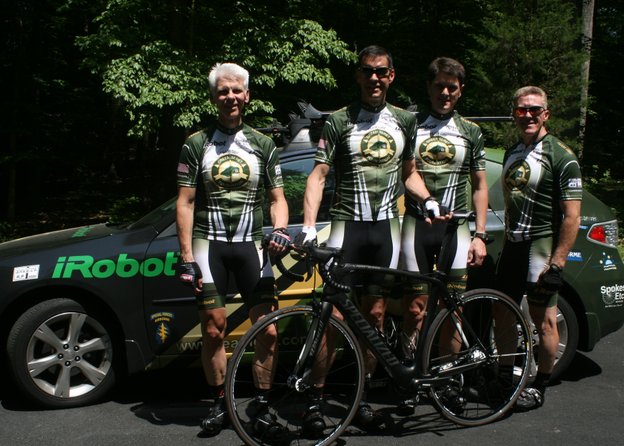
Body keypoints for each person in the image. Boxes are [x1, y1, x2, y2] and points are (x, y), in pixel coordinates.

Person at [296, 45, 444, 432]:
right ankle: (315, 399)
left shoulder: (404, 121)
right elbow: (318, 175)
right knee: (335, 317)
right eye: (367, 71)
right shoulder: (339, 121)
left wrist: (426, 199)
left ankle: (358, 400)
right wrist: (309, 225)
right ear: (358, 76)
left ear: (391, 76)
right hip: (347, 226)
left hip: (385, 229)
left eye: (381, 72)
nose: (375, 78)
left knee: (375, 316)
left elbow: (409, 172)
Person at [175, 62, 291, 436]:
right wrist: (187, 257)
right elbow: (186, 202)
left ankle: (261, 402)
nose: (230, 97)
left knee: (268, 331)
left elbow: (277, 198)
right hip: (210, 245)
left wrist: (281, 229)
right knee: (213, 330)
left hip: (252, 246)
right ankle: (218, 403)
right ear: (214, 98)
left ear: (247, 96)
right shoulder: (196, 143)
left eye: (236, 90)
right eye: (223, 91)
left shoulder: (263, 143)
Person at [398, 57, 488, 414]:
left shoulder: (471, 131)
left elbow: (480, 186)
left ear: (460, 90)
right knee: (414, 308)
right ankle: (409, 376)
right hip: (417, 224)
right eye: (439, 86)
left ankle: (449, 379)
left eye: (452, 87)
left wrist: (479, 234)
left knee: (454, 309)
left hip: (457, 228)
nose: (445, 93)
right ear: (429, 87)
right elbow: (405, 174)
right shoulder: (411, 126)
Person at [496, 86, 582, 411]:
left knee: (544, 320)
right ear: (514, 114)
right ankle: (504, 378)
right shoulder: (511, 152)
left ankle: (541, 385)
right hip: (513, 245)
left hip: (541, 246)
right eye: (521, 110)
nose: (528, 115)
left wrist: (558, 263)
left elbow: (572, 216)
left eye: (534, 109)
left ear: (546, 113)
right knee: (501, 311)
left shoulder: (562, 156)